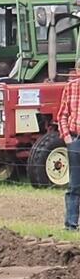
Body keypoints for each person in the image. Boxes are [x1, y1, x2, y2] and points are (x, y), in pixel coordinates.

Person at [58, 63, 80, 232]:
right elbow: (62, 115)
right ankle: (71, 225)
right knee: (74, 184)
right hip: (75, 139)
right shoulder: (70, 87)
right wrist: (67, 138)